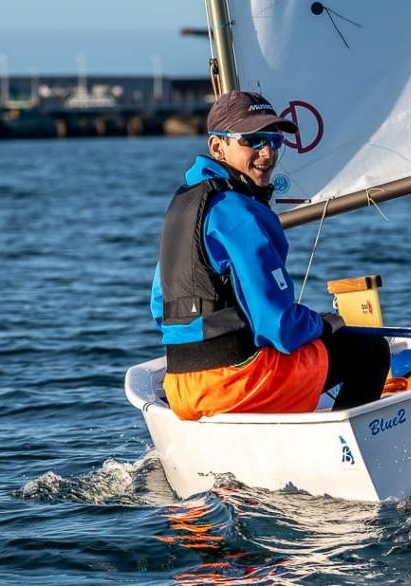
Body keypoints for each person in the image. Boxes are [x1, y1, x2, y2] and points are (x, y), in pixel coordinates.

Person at [151, 90, 391, 421]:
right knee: (369, 350)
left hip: (181, 388)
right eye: (253, 140)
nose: (267, 153)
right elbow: (278, 326)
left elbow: (159, 308)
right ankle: (339, 450)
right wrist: (322, 324)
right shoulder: (239, 212)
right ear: (217, 147)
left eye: (275, 141)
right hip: (238, 385)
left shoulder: (183, 207)